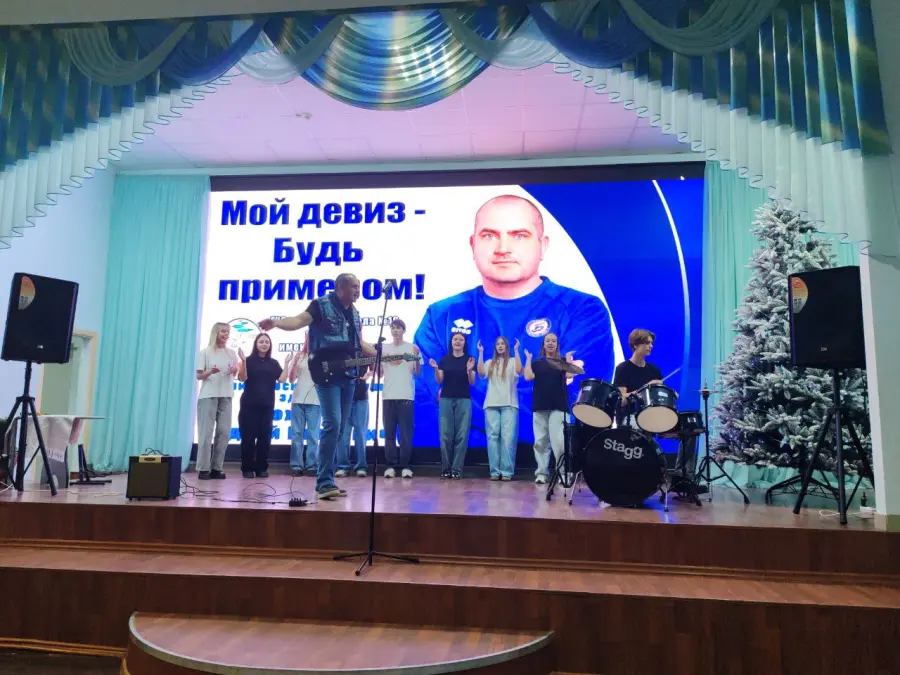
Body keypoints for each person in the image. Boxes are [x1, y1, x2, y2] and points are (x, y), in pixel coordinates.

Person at [413, 194, 615, 448]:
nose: (503, 248)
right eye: (489, 235)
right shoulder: (440, 315)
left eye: (519, 235)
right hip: (455, 466)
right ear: (473, 245)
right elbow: (417, 416)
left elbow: (570, 411)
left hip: (544, 463)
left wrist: (456, 398)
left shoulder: (583, 311)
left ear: (543, 245)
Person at [259, 273, 377, 500]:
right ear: (340, 287)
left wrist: (382, 353)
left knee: (339, 429)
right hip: (326, 372)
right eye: (354, 286)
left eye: (359, 286)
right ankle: (323, 483)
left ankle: (327, 479)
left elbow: (358, 343)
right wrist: (276, 323)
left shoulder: (354, 313)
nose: (358, 290)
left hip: (348, 374)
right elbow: (297, 320)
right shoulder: (321, 305)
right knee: (333, 423)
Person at [613, 329, 696, 479]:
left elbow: (661, 395)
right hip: (633, 417)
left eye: (651, 343)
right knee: (639, 433)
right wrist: (645, 387)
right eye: (646, 343)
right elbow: (622, 399)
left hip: (656, 416)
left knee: (690, 430)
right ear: (635, 345)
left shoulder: (654, 369)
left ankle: (682, 477)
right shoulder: (623, 368)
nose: (650, 346)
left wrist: (671, 394)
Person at [524, 333, 573, 484]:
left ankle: (563, 473)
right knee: (540, 441)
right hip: (540, 405)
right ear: (543, 344)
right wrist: (528, 359)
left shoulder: (562, 361)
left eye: (553, 341)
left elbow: (570, 375)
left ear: (557, 344)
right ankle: (541, 473)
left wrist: (569, 360)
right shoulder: (538, 362)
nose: (550, 343)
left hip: (559, 405)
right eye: (547, 341)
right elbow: (528, 377)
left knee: (560, 442)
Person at [236, 333, 287, 479]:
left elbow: (282, 379)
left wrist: (287, 363)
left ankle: (261, 468)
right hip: (249, 405)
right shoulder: (248, 360)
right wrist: (243, 361)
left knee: (265, 438)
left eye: (267, 342)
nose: (264, 344)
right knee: (248, 437)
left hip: (267, 406)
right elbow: (242, 378)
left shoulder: (273, 363)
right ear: (256, 344)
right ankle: (247, 468)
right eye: (261, 342)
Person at [195, 322, 239, 480]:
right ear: (216, 333)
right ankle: (203, 468)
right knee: (206, 433)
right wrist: (210, 372)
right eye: (223, 331)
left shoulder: (231, 353)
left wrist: (234, 370)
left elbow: (234, 372)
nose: (226, 334)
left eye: (227, 332)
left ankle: (216, 468)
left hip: (226, 395)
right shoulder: (205, 352)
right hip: (208, 395)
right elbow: (199, 375)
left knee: (224, 433)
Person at [429, 333, 475, 479]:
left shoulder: (469, 359)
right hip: (446, 399)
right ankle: (446, 468)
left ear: (464, 343)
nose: (458, 342)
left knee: (462, 435)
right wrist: (435, 369)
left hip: (464, 399)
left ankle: (456, 469)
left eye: (461, 339)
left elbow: (472, 382)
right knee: (445, 435)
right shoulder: (445, 360)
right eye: (455, 339)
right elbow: (439, 380)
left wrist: (469, 370)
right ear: (451, 342)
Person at [380, 319, 421, 479]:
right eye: (393, 328)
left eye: (398, 328)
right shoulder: (384, 348)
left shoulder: (411, 348)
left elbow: (418, 372)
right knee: (389, 434)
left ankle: (405, 466)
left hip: (406, 395)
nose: (395, 331)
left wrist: (416, 358)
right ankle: (390, 466)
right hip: (388, 395)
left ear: (404, 330)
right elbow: (380, 372)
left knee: (405, 434)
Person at [477, 336, 522, 480]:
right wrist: (480, 353)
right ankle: (494, 472)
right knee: (492, 438)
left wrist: (517, 350)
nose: (500, 346)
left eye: (503, 344)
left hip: (509, 404)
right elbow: (481, 373)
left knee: (508, 439)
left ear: (507, 346)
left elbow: (520, 370)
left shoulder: (513, 361)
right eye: (498, 344)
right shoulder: (490, 363)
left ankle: (507, 471)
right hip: (491, 404)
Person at [287, 335, 320, 477]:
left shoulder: (321, 356)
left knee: (313, 435)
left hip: (315, 401)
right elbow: (291, 379)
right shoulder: (299, 356)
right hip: (298, 400)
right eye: (308, 338)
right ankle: (296, 466)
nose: (310, 340)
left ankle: (312, 465)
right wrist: (293, 364)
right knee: (297, 434)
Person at [337, 367, 371, 478]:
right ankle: (342, 466)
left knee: (360, 433)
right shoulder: (341, 355)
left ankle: (361, 466)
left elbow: (375, 368)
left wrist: (369, 374)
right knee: (343, 434)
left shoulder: (365, 356)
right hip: (344, 396)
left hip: (361, 397)